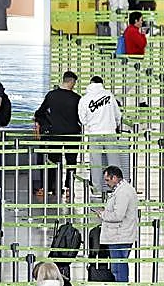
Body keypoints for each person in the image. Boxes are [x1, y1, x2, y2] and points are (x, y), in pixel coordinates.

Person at [34, 71, 82, 199]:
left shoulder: (51, 96)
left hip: (54, 134)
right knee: (71, 162)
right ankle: (69, 188)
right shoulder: (77, 98)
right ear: (71, 82)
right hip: (72, 134)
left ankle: (48, 187)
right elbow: (81, 118)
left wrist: (43, 124)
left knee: (52, 162)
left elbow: (39, 113)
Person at [95, 166, 138, 286]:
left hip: (120, 237)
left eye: (108, 180)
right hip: (118, 235)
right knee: (118, 268)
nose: (107, 183)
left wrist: (103, 214)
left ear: (115, 177)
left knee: (119, 269)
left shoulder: (123, 192)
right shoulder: (121, 190)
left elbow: (118, 215)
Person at [78, 76, 121, 194]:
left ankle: (97, 189)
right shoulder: (109, 95)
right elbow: (118, 114)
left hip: (94, 133)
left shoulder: (85, 98)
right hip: (110, 132)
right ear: (102, 84)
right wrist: (115, 125)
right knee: (114, 163)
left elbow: (82, 118)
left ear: (90, 84)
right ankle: (117, 189)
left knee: (95, 164)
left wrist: (91, 125)